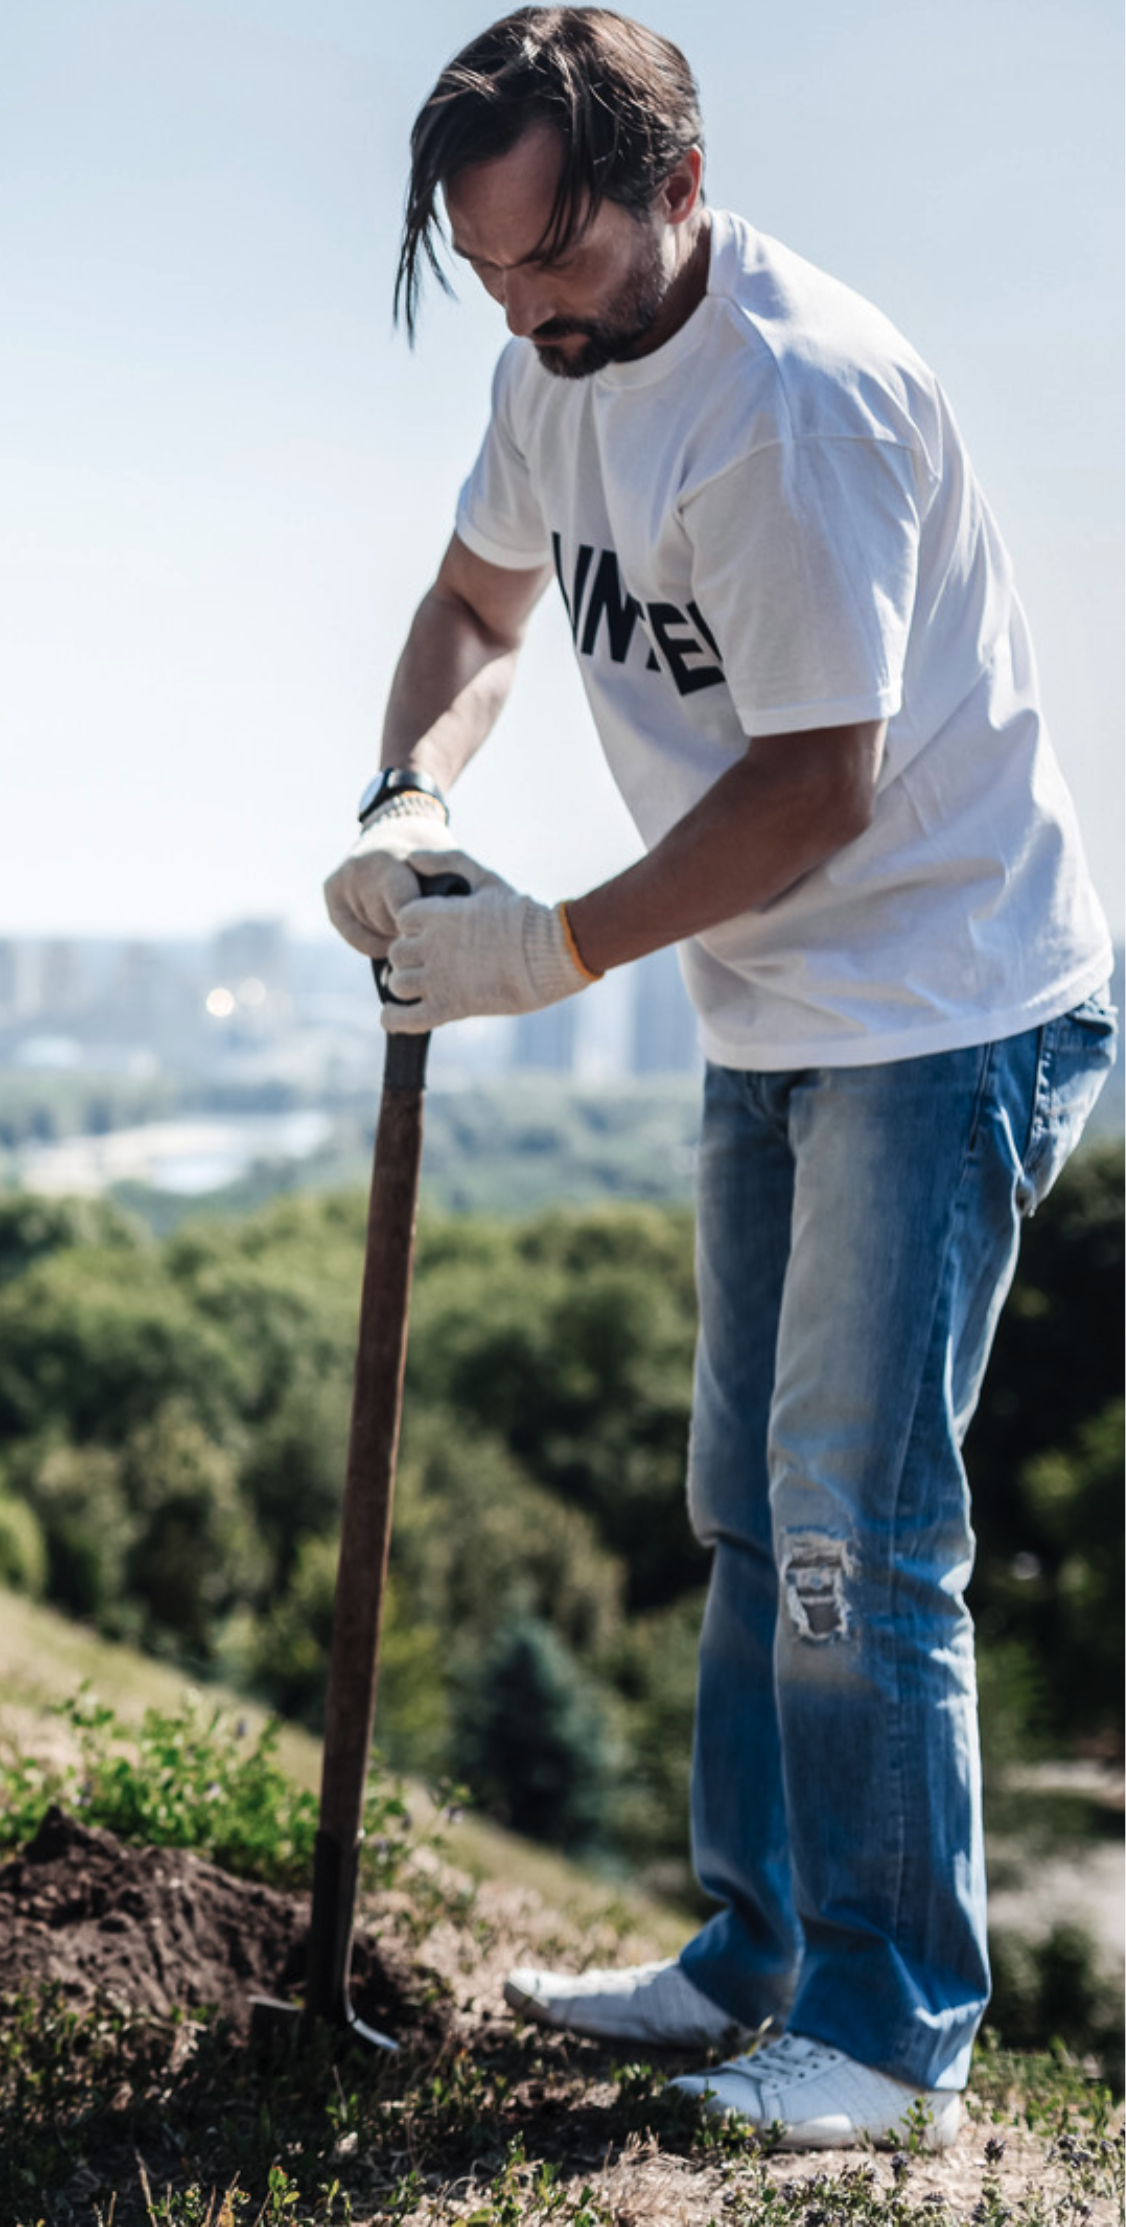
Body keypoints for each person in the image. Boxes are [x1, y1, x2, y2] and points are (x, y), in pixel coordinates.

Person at [328, 7, 1114, 2152]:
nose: (522, 316)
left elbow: (815, 792)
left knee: (858, 1527)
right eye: (485, 276)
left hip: (936, 1002)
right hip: (769, 1008)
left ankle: (881, 2036)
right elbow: (474, 605)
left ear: (672, 183)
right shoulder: (547, 374)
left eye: (550, 265)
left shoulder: (795, 406)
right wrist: (408, 797)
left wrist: (544, 947)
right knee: (749, 1516)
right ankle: (753, 1952)